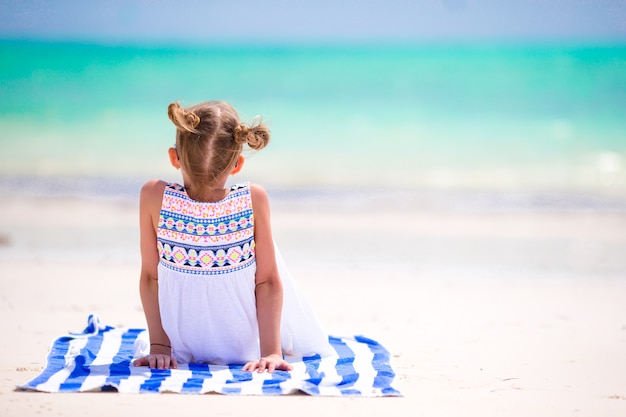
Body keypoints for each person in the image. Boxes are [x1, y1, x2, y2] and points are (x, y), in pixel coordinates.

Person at [133, 101, 333, 373]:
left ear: (174, 157)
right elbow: (268, 282)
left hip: (180, 348)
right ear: (237, 163)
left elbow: (150, 277)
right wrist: (271, 353)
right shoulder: (252, 198)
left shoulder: (153, 196)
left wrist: (159, 347)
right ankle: (275, 345)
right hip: (244, 349)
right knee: (265, 256)